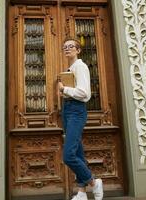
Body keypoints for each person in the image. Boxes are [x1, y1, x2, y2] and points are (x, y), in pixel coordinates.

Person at [58, 37, 104, 200]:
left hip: (76, 111)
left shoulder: (81, 66)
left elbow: (85, 94)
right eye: (65, 47)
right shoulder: (70, 68)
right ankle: (82, 192)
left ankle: (93, 182)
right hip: (68, 110)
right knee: (77, 153)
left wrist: (66, 90)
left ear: (78, 50)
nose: (67, 49)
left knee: (68, 155)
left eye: (71, 46)